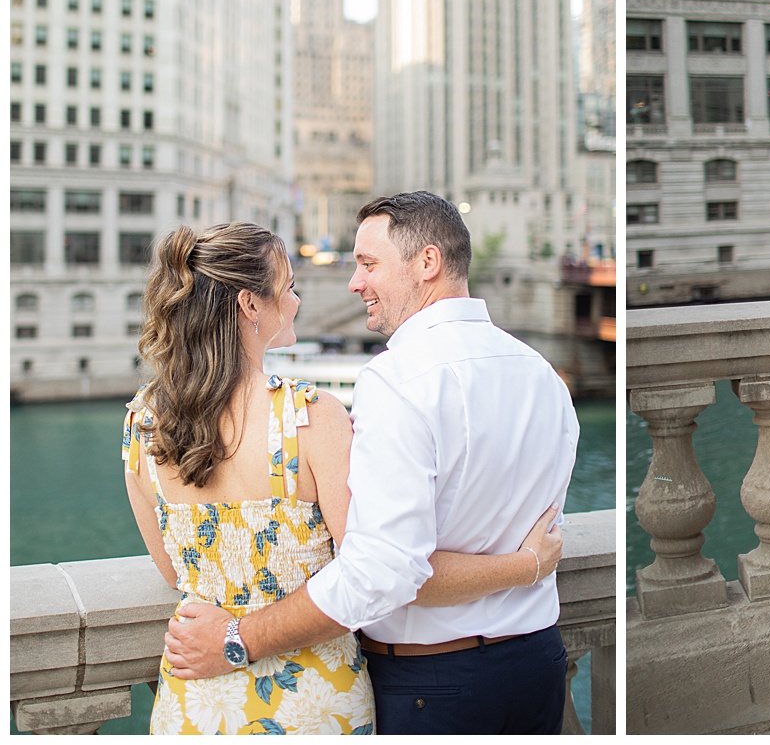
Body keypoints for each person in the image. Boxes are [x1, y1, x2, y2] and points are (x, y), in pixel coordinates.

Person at [165, 192, 581, 734]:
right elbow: (543, 525)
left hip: (434, 686)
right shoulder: (543, 375)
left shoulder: (397, 380)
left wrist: (238, 640)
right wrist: (526, 566)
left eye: (368, 264)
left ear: (427, 263)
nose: (354, 283)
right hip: (539, 665)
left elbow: (384, 569)